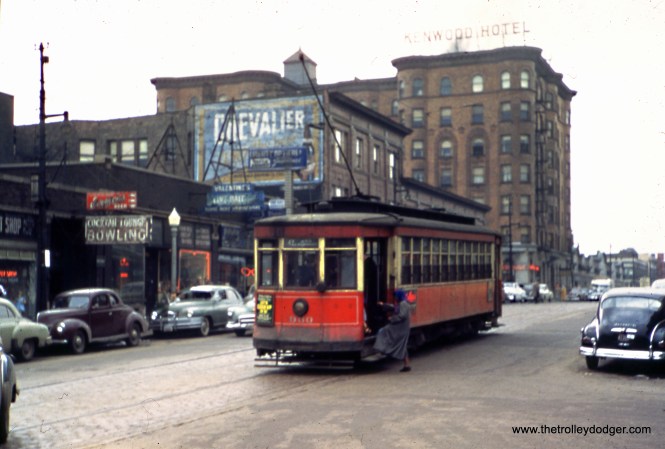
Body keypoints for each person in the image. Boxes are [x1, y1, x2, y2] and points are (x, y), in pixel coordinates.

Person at [373, 289, 413, 372]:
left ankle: (382, 349)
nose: (395, 298)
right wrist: (383, 304)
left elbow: (402, 316)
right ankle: (406, 365)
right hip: (401, 328)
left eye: (396, 296)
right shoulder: (402, 303)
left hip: (399, 328)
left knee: (382, 332)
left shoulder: (403, 304)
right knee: (402, 346)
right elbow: (394, 308)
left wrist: (392, 319)